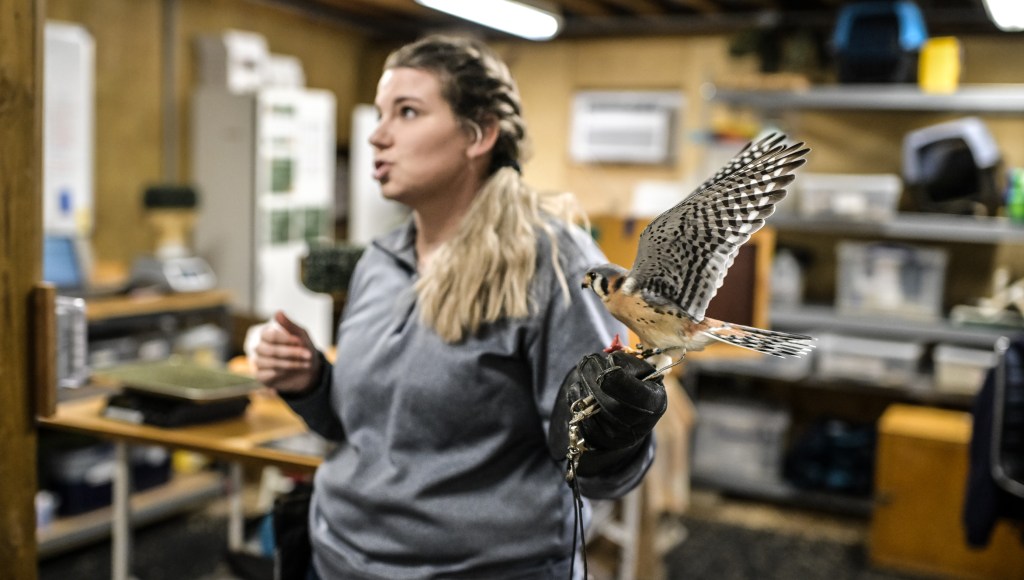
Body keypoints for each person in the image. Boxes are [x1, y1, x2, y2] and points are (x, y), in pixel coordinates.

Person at [251, 34, 667, 580]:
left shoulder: (552, 264)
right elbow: (362, 431)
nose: (377, 136)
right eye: (381, 114)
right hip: (339, 559)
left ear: (479, 133)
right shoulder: (380, 261)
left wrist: (613, 440)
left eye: (407, 112)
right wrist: (310, 381)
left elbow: (598, 474)